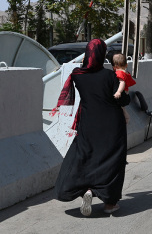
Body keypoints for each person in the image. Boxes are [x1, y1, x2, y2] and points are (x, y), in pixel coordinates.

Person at [53, 39, 128, 216]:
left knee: (87, 156)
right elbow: (124, 100)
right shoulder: (110, 76)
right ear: (103, 56)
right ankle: (109, 203)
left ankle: (87, 190)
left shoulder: (77, 75)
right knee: (112, 160)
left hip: (88, 122)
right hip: (112, 124)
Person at [112, 53, 136, 123]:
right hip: (126, 93)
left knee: (122, 110)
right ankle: (126, 119)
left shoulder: (119, 73)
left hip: (122, 94)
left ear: (115, 66)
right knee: (123, 109)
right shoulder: (125, 72)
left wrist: (118, 91)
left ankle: (126, 119)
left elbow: (122, 82)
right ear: (126, 65)